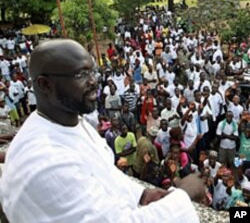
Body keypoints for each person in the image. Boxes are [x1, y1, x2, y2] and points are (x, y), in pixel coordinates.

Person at [0, 39, 204, 223]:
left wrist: (140, 195)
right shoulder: (46, 163)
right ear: (45, 84)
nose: (93, 81)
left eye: (92, 71)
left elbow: (103, 173)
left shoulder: (69, 123)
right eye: (81, 74)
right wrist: (183, 196)